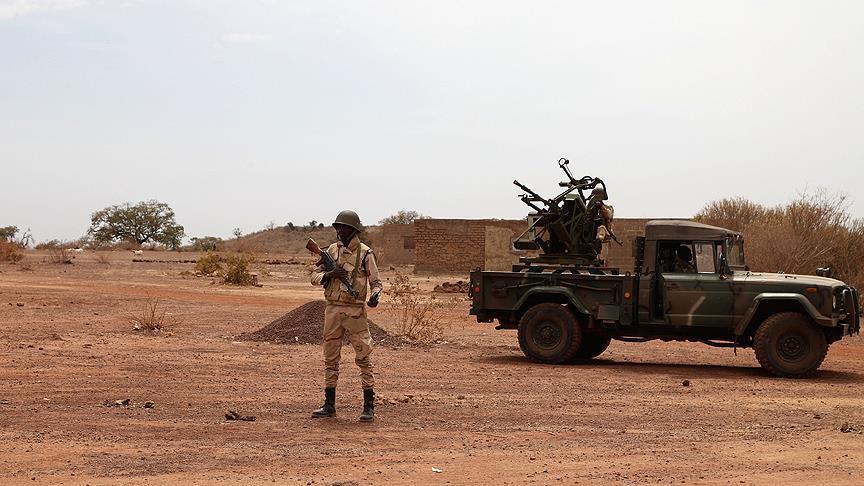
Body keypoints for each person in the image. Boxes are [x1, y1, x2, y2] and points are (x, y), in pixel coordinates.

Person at [309, 210, 383, 422]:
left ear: (353, 230)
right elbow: (313, 276)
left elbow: (377, 283)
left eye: (343, 227)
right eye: (338, 227)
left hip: (355, 311)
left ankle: (368, 407)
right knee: (330, 358)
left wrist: (375, 297)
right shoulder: (331, 250)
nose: (339, 230)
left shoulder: (366, 253)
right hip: (332, 309)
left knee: (363, 357)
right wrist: (330, 274)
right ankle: (329, 405)